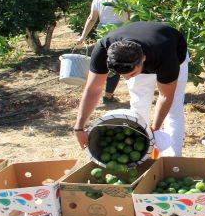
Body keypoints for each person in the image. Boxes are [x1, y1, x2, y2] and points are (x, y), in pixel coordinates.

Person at [73, 21, 189, 157]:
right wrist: (79, 127)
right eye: (122, 76)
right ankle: (141, 155)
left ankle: (173, 159)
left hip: (172, 50)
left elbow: (165, 96)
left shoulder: (166, 56)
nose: (127, 79)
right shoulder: (103, 49)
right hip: (140, 54)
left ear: (143, 59)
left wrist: (155, 130)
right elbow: (93, 89)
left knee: (173, 108)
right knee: (138, 106)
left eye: (132, 74)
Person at [76, 0, 132, 104]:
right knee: (117, 63)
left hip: (103, 35)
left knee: (101, 62)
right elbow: (131, 17)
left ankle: (91, 95)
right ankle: (108, 96)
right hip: (121, 34)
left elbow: (91, 18)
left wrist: (83, 36)